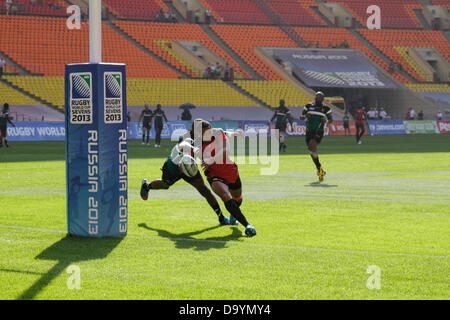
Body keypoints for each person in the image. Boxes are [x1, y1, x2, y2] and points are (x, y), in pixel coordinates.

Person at [186, 119, 256, 237]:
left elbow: (225, 150)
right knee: (225, 196)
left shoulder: (217, 133)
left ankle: (234, 214)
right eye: (205, 132)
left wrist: (212, 159)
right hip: (213, 174)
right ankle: (248, 225)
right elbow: (186, 157)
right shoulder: (192, 142)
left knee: (237, 198)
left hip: (230, 171)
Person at [140, 138, 232, 226]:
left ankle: (221, 217)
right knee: (165, 185)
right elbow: (185, 146)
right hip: (172, 170)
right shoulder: (184, 146)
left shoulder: (197, 147)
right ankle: (147, 186)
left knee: (204, 190)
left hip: (188, 167)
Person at [300, 92, 333, 182]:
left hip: (319, 131)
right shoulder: (308, 106)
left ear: (323, 99)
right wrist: (305, 116)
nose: (318, 98)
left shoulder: (326, 109)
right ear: (315, 97)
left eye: (320, 97)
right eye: (317, 96)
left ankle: (319, 170)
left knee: (311, 146)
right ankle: (320, 170)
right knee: (311, 151)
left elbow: (331, 120)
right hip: (309, 131)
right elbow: (301, 117)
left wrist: (325, 121)